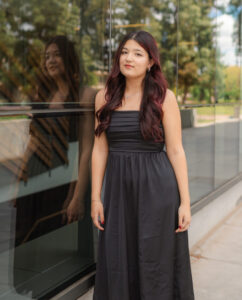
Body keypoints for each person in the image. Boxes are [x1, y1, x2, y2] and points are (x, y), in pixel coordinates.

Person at [91, 31, 195, 299]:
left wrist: (185, 201)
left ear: (150, 62)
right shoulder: (104, 96)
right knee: (118, 257)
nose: (129, 58)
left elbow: (175, 150)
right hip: (118, 192)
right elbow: (100, 149)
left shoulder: (164, 97)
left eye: (138, 54)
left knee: (155, 259)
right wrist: (95, 198)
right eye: (125, 52)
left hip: (157, 190)